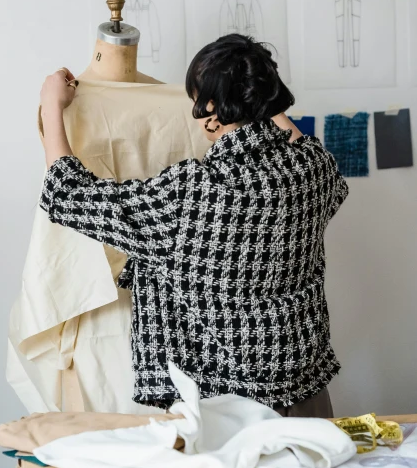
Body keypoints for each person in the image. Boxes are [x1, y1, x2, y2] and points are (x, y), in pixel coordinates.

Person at [39, 34, 348, 417]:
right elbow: (304, 149)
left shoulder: (194, 194)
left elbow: (67, 194)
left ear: (212, 108)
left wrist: (51, 105)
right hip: (306, 392)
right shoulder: (312, 169)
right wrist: (266, 99)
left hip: (224, 412)